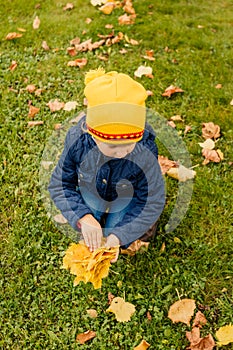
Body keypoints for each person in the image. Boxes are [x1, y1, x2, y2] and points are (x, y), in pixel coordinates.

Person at [48, 68, 165, 262]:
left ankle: (127, 231)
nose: (121, 153)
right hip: (93, 190)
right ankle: (93, 217)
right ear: (93, 135)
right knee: (88, 222)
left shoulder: (145, 150)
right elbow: (60, 185)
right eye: (112, 146)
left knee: (118, 228)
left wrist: (119, 236)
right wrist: (83, 217)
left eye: (129, 144)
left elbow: (152, 200)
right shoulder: (78, 142)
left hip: (128, 197)